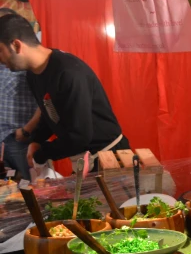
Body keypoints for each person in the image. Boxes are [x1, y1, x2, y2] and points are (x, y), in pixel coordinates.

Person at [0, 13, 129, 173]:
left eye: (0, 51)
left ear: (16, 46)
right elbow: (49, 112)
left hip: (109, 158)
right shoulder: (33, 74)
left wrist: (42, 153)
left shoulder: (68, 72)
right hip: (85, 158)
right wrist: (37, 140)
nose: (0, 60)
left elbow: (79, 137)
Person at [0, 8, 40, 180]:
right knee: (5, 193)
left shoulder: (26, 60)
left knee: (27, 189)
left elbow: (45, 102)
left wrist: (25, 131)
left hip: (19, 140)